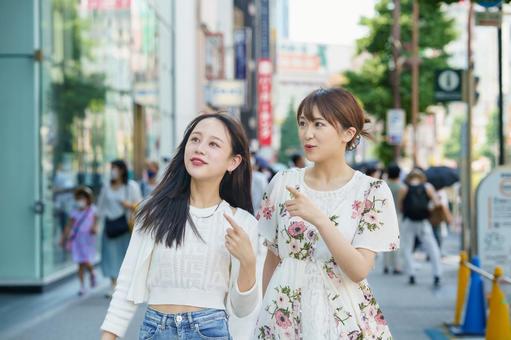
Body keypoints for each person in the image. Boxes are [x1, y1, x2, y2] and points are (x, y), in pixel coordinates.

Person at [255, 88, 399, 339]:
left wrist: (320, 219)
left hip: (344, 320)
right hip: (285, 316)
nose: (307, 134)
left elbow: (358, 270)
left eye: (318, 124)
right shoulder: (282, 182)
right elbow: (272, 259)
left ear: (348, 133)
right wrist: (266, 316)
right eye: (303, 123)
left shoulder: (371, 191)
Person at [100, 113, 260, 340]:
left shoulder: (242, 223)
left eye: (213, 144)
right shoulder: (154, 211)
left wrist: (248, 262)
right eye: (195, 140)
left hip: (210, 330)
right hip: (156, 330)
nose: (200, 148)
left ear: (233, 162)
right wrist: (108, 336)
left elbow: (243, 310)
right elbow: (127, 283)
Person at [97, 159, 143, 294]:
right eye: (112, 168)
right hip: (110, 225)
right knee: (110, 256)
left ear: (122, 170)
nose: (112, 171)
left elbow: (140, 205)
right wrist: (94, 224)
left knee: (125, 256)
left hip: (125, 227)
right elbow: (100, 207)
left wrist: (128, 205)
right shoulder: (106, 187)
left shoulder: (131, 186)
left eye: (115, 168)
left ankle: (125, 285)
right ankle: (114, 286)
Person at [399, 168, 442, 287]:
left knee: (407, 248)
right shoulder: (427, 187)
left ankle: (411, 274)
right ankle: (437, 274)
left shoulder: (404, 187)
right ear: (421, 177)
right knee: (432, 248)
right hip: (423, 222)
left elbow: (400, 206)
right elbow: (437, 203)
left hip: (408, 221)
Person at [60, 186, 98, 295]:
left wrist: (95, 228)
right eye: (79, 198)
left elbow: (96, 223)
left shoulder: (92, 210)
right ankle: (82, 286)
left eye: (83, 198)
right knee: (79, 263)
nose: (80, 201)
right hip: (77, 240)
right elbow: (69, 226)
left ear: (88, 199)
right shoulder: (74, 213)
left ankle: (92, 272)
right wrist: (63, 238)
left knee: (86, 260)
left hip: (87, 240)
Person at [383, 163, 403, 275]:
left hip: (384, 215)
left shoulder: (383, 185)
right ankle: (397, 266)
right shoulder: (402, 187)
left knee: (385, 241)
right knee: (396, 241)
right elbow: (401, 205)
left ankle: (386, 265)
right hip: (397, 216)